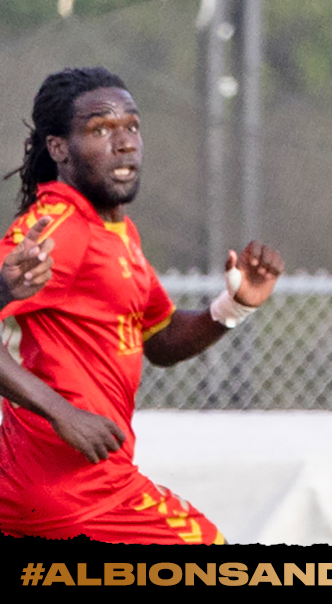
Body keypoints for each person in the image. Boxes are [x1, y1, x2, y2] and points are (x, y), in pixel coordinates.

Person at [0, 67, 284, 543]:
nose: (125, 141)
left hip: (50, 490)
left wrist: (234, 306)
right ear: (59, 149)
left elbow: (161, 339)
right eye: (100, 129)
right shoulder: (59, 225)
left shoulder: (116, 232)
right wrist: (62, 412)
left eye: (131, 126)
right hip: (78, 493)